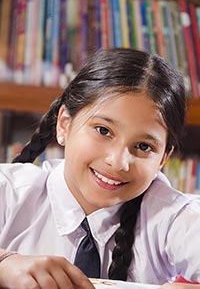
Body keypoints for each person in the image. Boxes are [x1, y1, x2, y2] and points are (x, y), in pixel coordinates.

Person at [0, 48, 200, 289]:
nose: (118, 162)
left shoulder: (171, 216)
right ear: (64, 124)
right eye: (103, 131)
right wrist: (4, 262)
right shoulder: (9, 192)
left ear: (163, 159)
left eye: (143, 146)